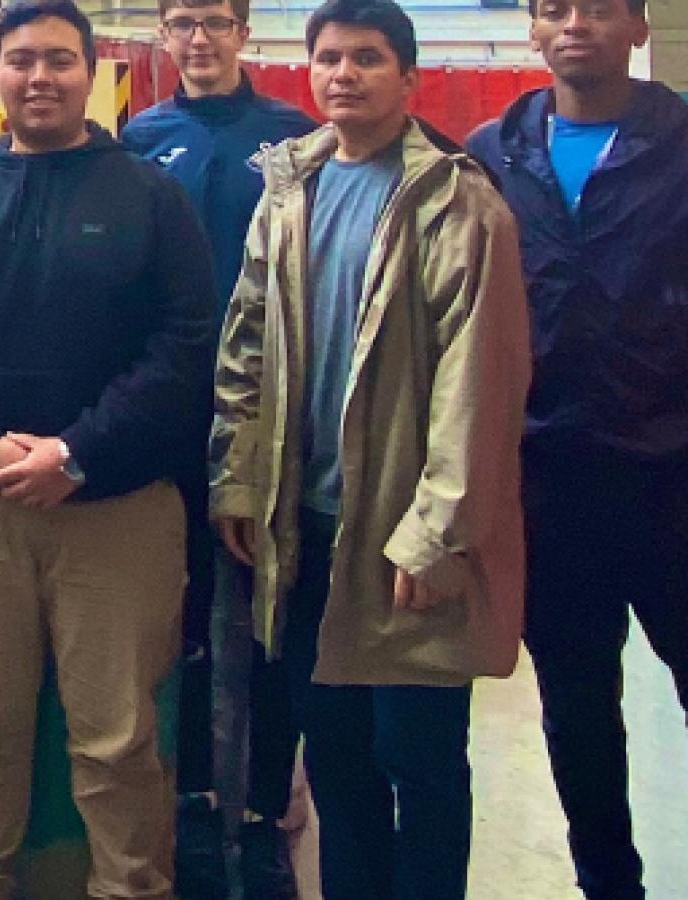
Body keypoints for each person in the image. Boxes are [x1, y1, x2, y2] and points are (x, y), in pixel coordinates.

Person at [0, 2, 217, 897]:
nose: (40, 77)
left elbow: (186, 344)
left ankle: (128, 887)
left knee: (117, 737)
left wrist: (78, 452)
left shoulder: (151, 197)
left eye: (60, 60)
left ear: (90, 73)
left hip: (117, 512)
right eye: (22, 59)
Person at [211, 2, 532, 898]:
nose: (344, 74)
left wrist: (437, 534)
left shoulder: (457, 204)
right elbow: (246, 344)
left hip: (404, 538)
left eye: (367, 58)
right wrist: (238, 478)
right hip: (306, 530)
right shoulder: (289, 190)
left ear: (409, 78)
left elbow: (482, 383)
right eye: (329, 58)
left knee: (420, 764)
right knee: (337, 757)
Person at [467, 0, 688, 895]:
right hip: (549, 488)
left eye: (599, 7)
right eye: (555, 8)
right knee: (578, 717)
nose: (576, 24)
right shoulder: (490, 157)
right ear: (533, 28)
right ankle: (608, 886)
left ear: (638, 28)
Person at [119, 0, 314, 895]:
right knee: (178, 610)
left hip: (268, 415)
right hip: (165, 418)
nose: (198, 39)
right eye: (182, 22)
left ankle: (264, 804)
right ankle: (192, 796)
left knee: (268, 610)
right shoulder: (139, 138)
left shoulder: (295, 139)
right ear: (164, 36)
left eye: (215, 21)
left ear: (243, 33)